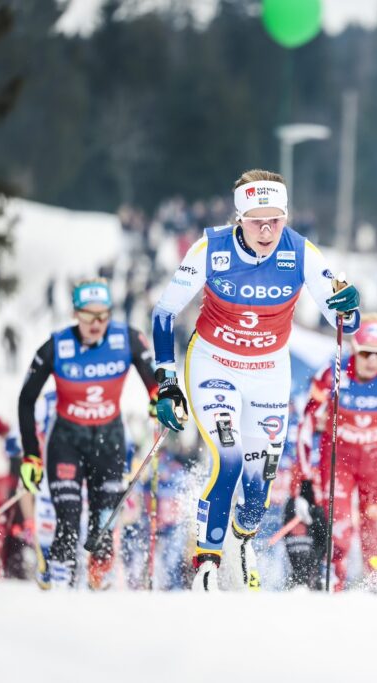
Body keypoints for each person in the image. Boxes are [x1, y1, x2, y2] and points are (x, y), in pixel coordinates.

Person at [150, 168, 361, 592]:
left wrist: (349, 307)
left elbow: (344, 322)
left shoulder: (300, 252)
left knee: (259, 479)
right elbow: (164, 311)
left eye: (275, 221)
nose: (266, 231)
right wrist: (167, 380)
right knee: (228, 458)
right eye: (256, 221)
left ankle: (243, 539)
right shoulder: (211, 248)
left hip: (268, 371)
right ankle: (208, 562)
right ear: (239, 219)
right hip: (214, 364)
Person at [17, 279, 158, 589]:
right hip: (66, 440)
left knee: (103, 527)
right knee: (67, 522)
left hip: (108, 441)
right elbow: (26, 399)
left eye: (103, 316)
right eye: (88, 316)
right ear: (75, 314)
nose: (96, 324)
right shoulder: (57, 346)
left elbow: (155, 381)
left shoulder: (127, 339)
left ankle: (98, 586)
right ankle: (60, 586)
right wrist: (31, 455)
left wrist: (159, 399)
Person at [295, 313, 377, 589]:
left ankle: (375, 589)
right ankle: (333, 587)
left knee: (375, 533)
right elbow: (306, 422)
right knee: (339, 531)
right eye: (366, 353)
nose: (372, 361)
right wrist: (305, 478)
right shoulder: (333, 372)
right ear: (354, 350)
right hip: (339, 461)